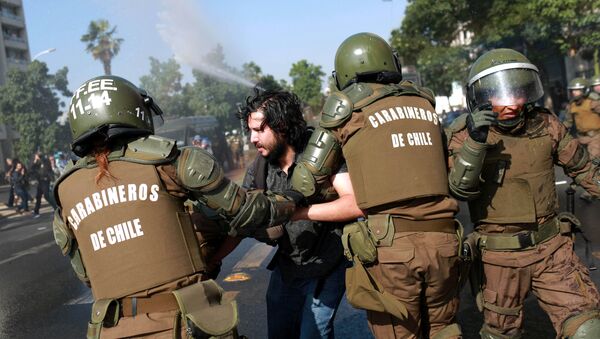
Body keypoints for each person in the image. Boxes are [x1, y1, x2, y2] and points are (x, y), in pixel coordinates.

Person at [52, 75, 301, 338]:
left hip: (112, 330)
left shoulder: (64, 191)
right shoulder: (167, 162)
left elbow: (86, 276)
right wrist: (294, 198)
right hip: (181, 325)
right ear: (133, 110)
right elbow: (246, 210)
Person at [291, 32, 463, 339]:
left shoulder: (346, 109)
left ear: (342, 72)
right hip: (445, 242)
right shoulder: (425, 103)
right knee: (444, 331)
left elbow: (305, 181)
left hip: (392, 248)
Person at [447, 48, 600, 338]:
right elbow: (461, 188)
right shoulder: (465, 135)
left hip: (552, 249)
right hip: (499, 257)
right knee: (501, 334)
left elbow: (585, 170)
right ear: (480, 97)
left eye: (519, 93)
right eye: (501, 95)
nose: (512, 104)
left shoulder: (545, 124)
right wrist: (476, 143)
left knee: (588, 328)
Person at [234, 89, 362, 339]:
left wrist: (299, 213)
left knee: (312, 333)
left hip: (328, 263)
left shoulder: (321, 154)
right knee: (280, 333)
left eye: (259, 130)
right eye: (250, 130)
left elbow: (354, 203)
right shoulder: (259, 168)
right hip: (288, 267)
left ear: (281, 125)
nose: (252, 139)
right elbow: (240, 218)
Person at [564, 77, 600, 161]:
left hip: (596, 137)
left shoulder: (593, 102)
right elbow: (568, 122)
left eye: (577, 90)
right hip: (581, 138)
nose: (574, 93)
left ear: (585, 90)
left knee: (595, 161)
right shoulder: (572, 105)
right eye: (572, 90)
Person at [31, 152, 57, 217]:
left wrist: (38, 159)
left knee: (46, 196)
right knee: (38, 196)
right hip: (40, 181)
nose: (36, 157)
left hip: (45, 181)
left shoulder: (45, 161)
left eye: (36, 156)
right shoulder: (37, 162)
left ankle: (56, 209)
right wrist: (34, 162)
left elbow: (46, 170)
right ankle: (36, 212)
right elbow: (31, 169)